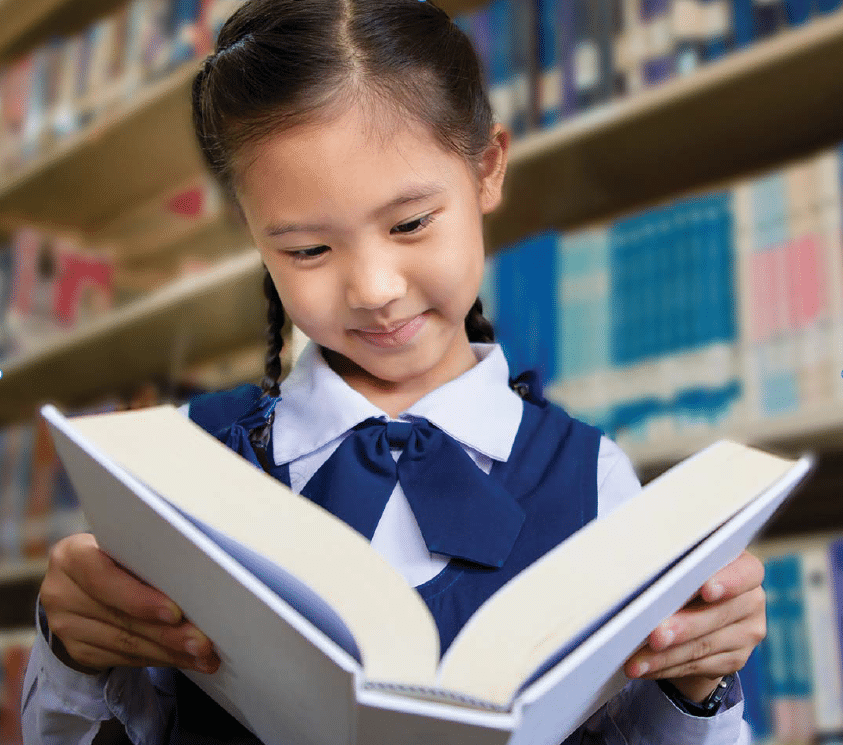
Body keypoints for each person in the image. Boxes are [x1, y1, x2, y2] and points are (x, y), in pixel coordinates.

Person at [22, 0, 767, 742]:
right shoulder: (184, 466)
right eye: (307, 250)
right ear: (255, 236)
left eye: (409, 223)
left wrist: (699, 678)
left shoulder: (593, 479)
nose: (372, 289)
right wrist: (72, 652)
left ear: (487, 169)